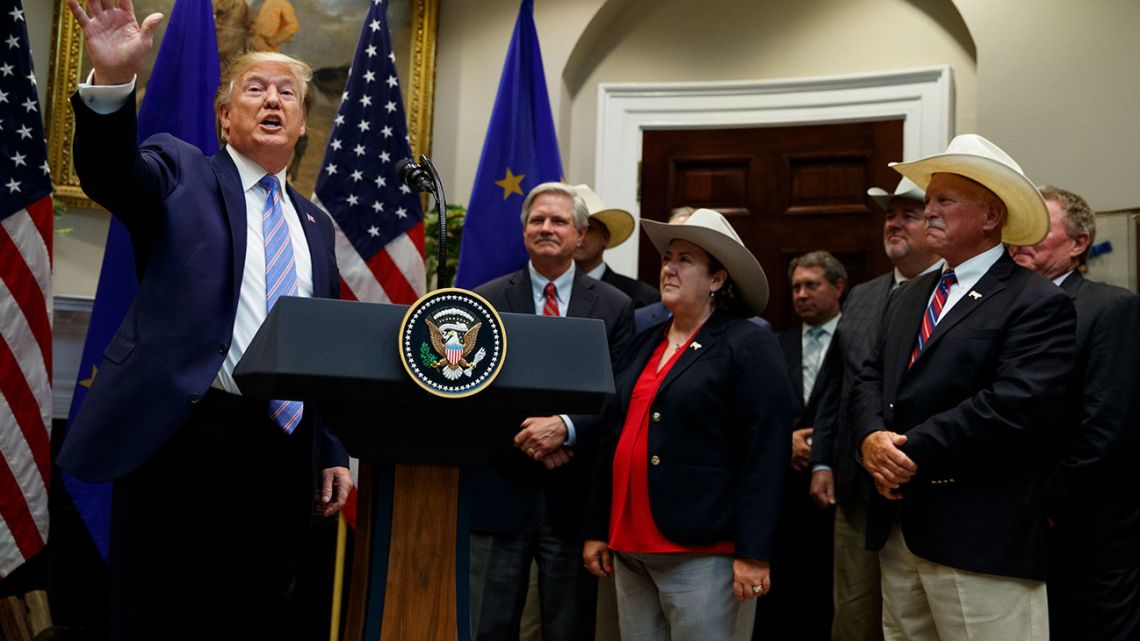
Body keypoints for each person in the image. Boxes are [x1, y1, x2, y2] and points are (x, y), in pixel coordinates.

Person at [57, 2, 351, 639]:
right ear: (225, 117)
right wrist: (111, 81)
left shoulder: (316, 228)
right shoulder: (180, 171)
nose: (273, 100)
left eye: (288, 94)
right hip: (187, 435)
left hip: (284, 451)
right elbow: (112, 173)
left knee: (258, 616)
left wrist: (330, 449)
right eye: (255, 89)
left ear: (301, 123)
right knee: (163, 616)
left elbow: (315, 347)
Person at [851, 134, 1076, 640]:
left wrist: (905, 451)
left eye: (943, 200)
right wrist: (869, 440)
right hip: (899, 529)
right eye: (928, 200)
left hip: (982, 537)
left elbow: (1016, 405)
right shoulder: (908, 296)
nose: (927, 211)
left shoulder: (1034, 301)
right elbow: (869, 376)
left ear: (991, 216)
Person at [583, 208, 795, 641]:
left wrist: (754, 553)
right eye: (666, 258)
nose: (669, 269)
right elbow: (612, 436)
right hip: (628, 545)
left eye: (685, 260)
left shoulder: (747, 343)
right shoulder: (645, 341)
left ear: (717, 280)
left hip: (702, 547)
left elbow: (766, 452)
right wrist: (596, 528)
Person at [469, 182, 635, 641]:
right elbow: (472, 390)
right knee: (487, 626)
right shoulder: (485, 299)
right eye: (537, 220)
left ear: (581, 234)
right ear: (523, 231)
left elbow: (618, 393)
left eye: (559, 220)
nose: (546, 228)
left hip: (574, 497)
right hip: (500, 489)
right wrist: (529, 438)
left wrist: (566, 429)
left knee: (569, 628)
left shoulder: (615, 307)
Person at [811, 177, 941, 641]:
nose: (894, 223)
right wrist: (823, 459)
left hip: (922, 484)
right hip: (855, 488)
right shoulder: (864, 296)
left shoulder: (952, 294)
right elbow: (836, 387)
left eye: (907, 214)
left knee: (914, 617)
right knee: (854, 614)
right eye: (889, 215)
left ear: (933, 224)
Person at [1009, 186, 1140, 641]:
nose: (1019, 240)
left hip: (1090, 532)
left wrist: (1046, 504)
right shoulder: (1001, 311)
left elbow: (1106, 426)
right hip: (1013, 534)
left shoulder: (1111, 308)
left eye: (1037, 228)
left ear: (1078, 244)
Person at [757, 251, 845, 641]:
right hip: (784, 491)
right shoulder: (776, 343)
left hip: (839, 490)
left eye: (812, 285)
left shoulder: (858, 338)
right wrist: (784, 443)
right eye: (795, 287)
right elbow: (758, 411)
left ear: (838, 287)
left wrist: (825, 447)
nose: (802, 294)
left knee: (832, 597)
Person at [573, 184, 661, 308]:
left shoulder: (640, 297)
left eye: (588, 229)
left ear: (605, 237)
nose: (579, 236)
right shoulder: (550, 291)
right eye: (574, 228)